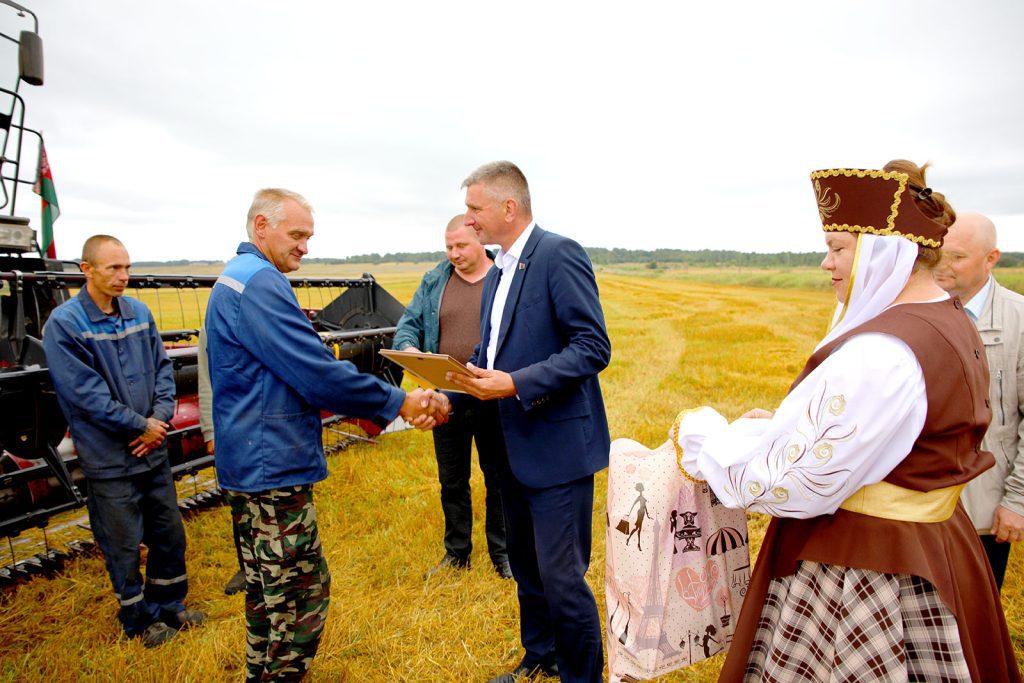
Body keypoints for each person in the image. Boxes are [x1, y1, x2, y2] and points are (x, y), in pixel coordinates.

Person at [671, 162, 1020, 681]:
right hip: (935, 542)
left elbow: (789, 483)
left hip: (870, 566)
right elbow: (883, 441)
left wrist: (707, 437)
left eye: (838, 247)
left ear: (885, 250)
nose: (825, 262)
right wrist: (781, 427)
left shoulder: (885, 350)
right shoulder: (945, 317)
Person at [205, 188, 449, 681]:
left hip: (250, 461)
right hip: (271, 466)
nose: (305, 247)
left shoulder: (235, 280)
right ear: (260, 227)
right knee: (301, 595)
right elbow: (314, 372)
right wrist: (398, 400)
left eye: (308, 236)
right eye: (296, 235)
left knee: (266, 591)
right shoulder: (260, 285)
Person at [447, 161, 611, 683]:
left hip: (556, 447)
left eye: (475, 209)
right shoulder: (498, 271)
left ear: (508, 208)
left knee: (563, 578)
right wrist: (461, 379)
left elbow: (592, 347)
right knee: (526, 567)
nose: (469, 220)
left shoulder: (558, 254)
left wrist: (514, 383)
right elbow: (493, 349)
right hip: (508, 444)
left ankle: (580, 676)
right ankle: (539, 657)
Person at [42, 235, 205, 648]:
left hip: (151, 451)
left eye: (127, 268)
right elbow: (85, 395)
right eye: (113, 268)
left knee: (169, 532)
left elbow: (162, 371)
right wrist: (140, 426)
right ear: (86, 270)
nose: (123, 277)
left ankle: (170, 604)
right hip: (110, 458)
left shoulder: (138, 313)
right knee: (123, 542)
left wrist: (159, 420)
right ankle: (139, 617)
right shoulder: (64, 325)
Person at [391, 214, 510, 579]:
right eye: (448, 246)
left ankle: (503, 555)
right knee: (452, 480)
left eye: (461, 246)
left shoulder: (503, 278)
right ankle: (457, 554)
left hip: (492, 396)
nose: (454, 253)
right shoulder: (434, 280)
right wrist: (410, 348)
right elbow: (408, 325)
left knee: (499, 479)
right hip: (446, 399)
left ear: (480, 239)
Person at [935, 212, 1024, 590]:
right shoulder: (918, 313)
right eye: (937, 253)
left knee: (975, 614)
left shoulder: (1018, 320)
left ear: (991, 259)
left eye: (956, 257)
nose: (943, 266)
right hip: (923, 505)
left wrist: (1017, 501)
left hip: (984, 507)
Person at [195, 327, 246, 595]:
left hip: (263, 426)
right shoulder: (211, 327)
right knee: (238, 499)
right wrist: (210, 430)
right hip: (230, 427)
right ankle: (246, 566)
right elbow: (206, 379)